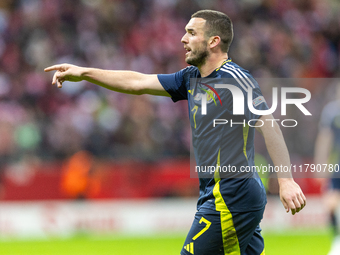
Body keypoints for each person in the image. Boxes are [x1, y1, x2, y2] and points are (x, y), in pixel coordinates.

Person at [45, 10, 306, 255]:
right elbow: (138, 82)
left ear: (214, 41)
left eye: (192, 33)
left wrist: (285, 180)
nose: (183, 38)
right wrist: (84, 73)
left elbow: (267, 122)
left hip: (231, 194)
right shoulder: (190, 78)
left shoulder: (234, 79)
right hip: (219, 192)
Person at [314, 86, 340, 255]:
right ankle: (337, 239)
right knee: (331, 204)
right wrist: (320, 164)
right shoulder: (332, 112)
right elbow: (324, 139)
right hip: (337, 165)